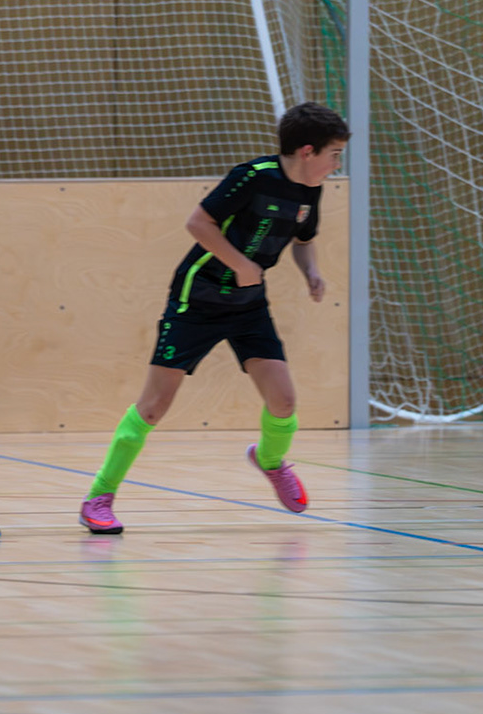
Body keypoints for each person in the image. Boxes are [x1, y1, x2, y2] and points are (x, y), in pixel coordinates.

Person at [78, 102, 344, 534]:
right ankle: (98, 497)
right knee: (154, 406)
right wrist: (241, 264)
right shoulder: (252, 176)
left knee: (284, 402)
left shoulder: (310, 190)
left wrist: (310, 271)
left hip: (249, 305)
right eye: (334, 154)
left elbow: (303, 239)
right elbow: (198, 223)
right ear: (307, 151)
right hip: (196, 299)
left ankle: (270, 460)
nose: (337, 165)